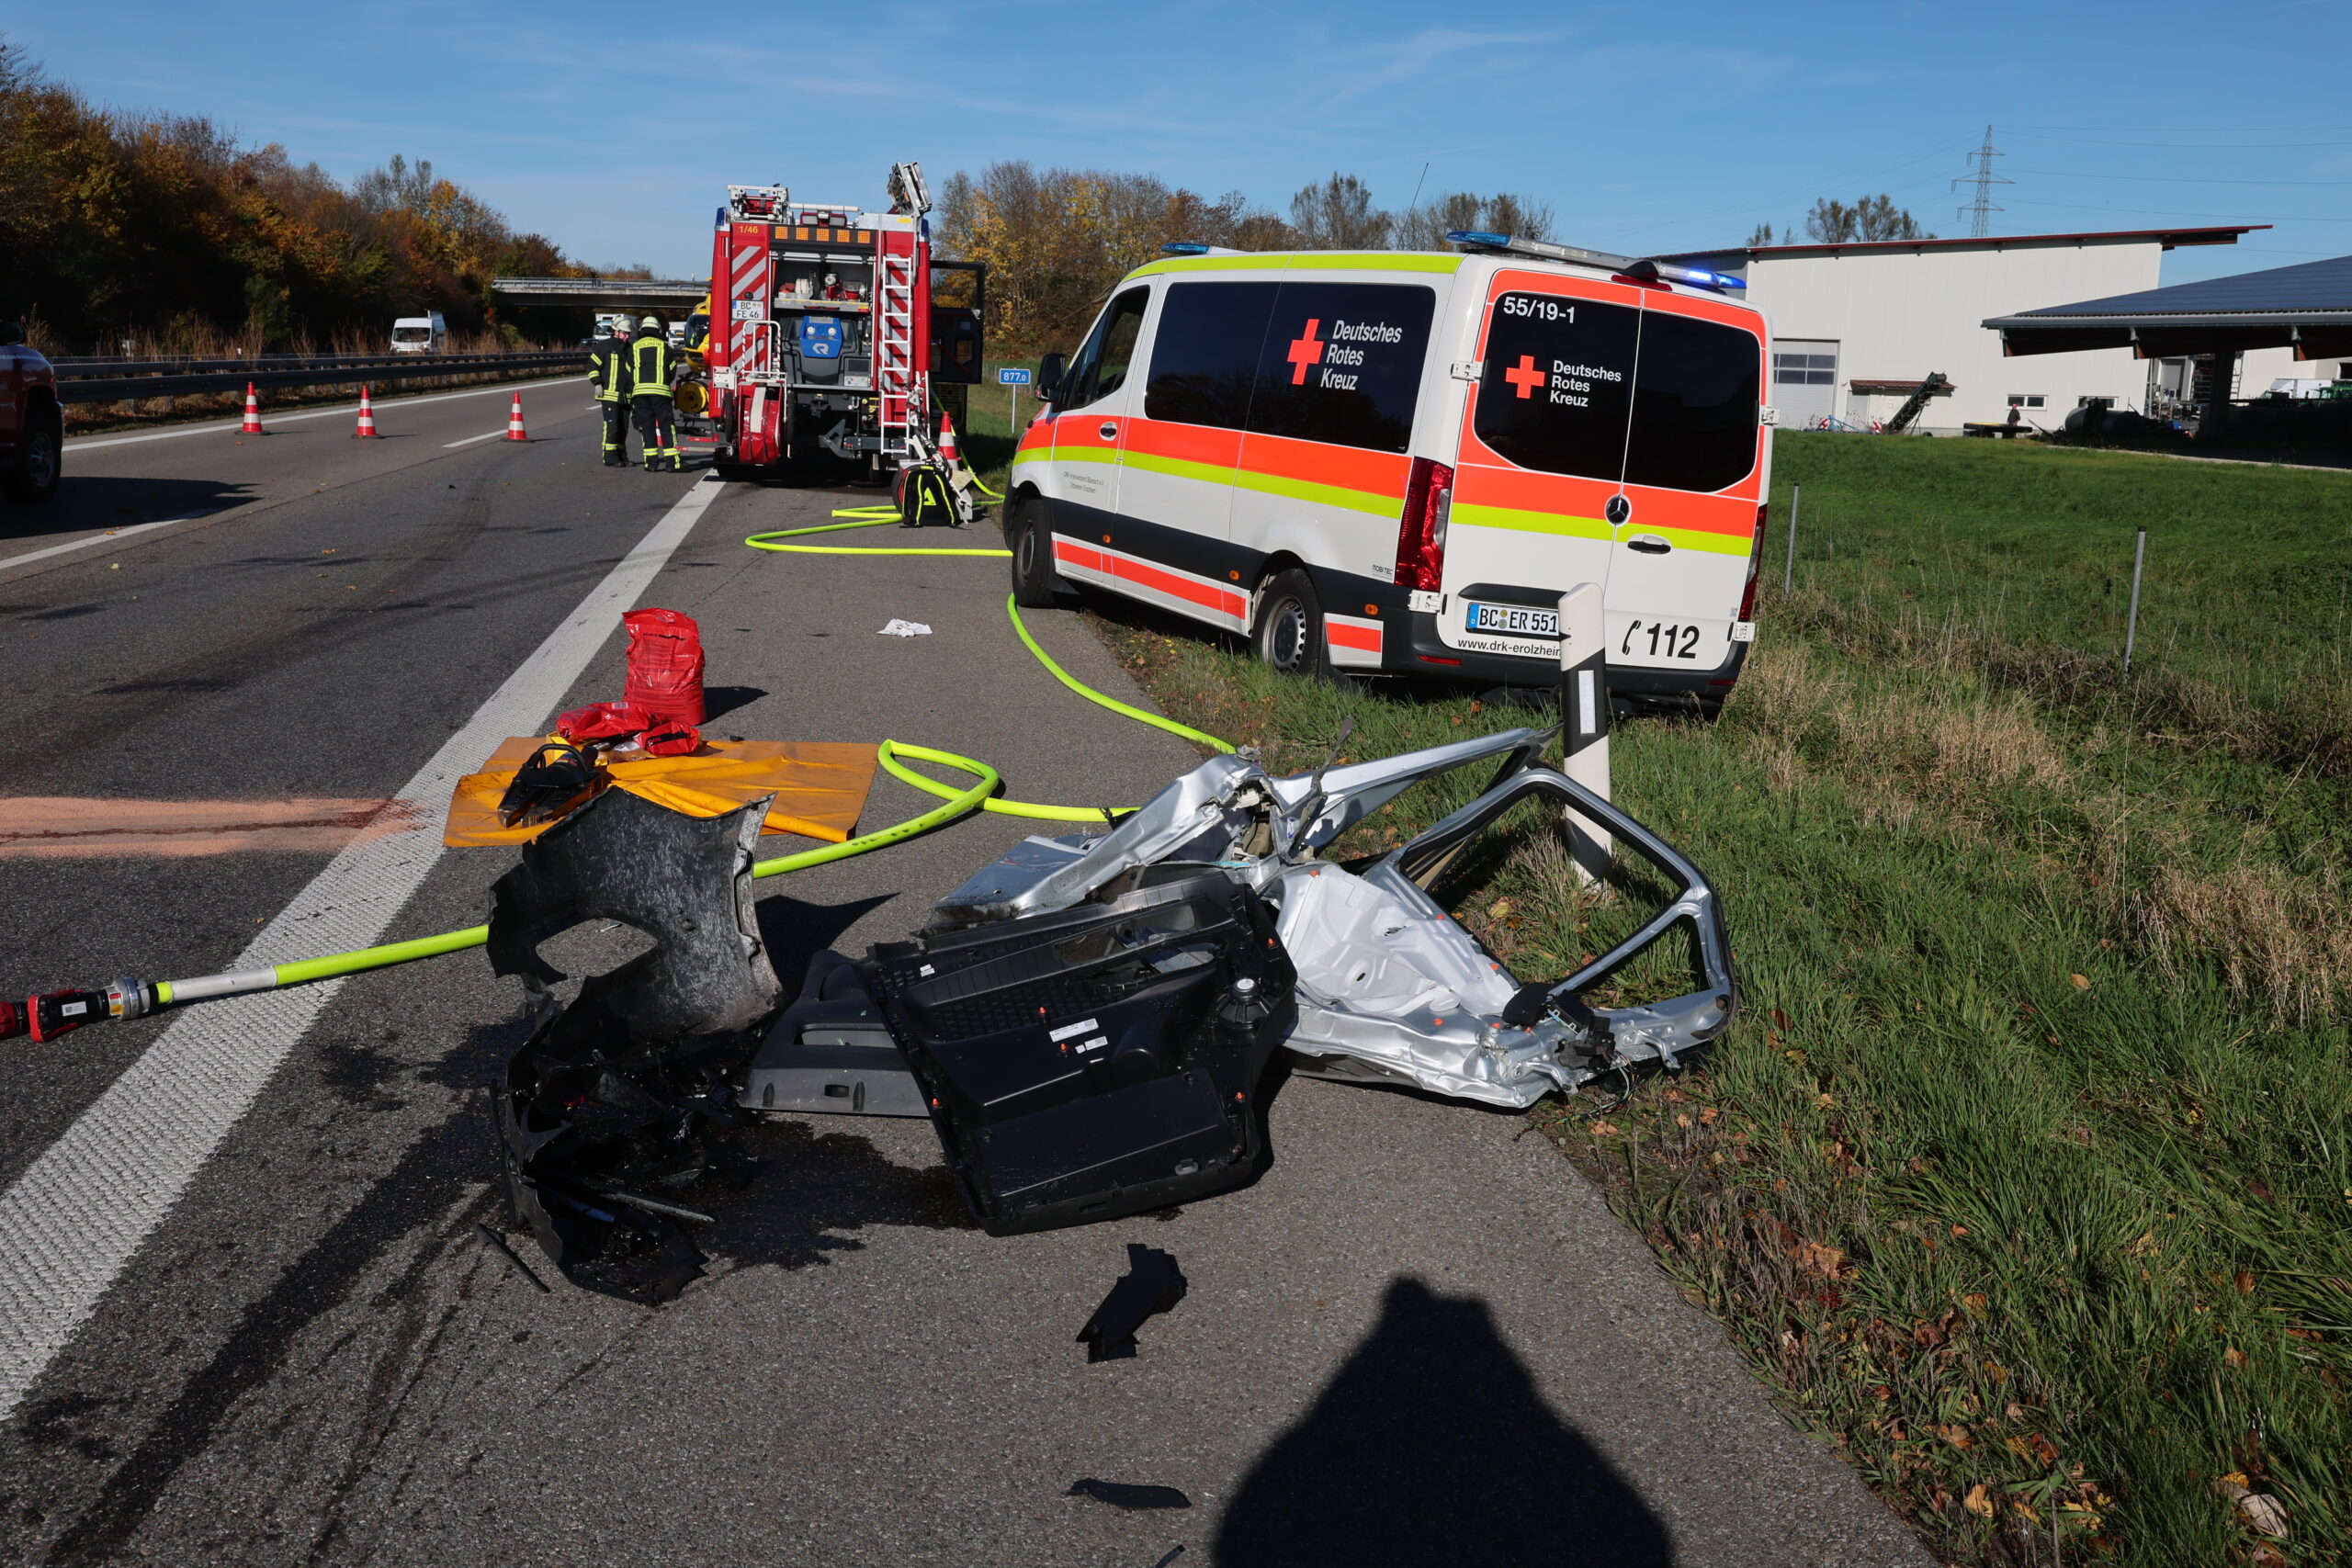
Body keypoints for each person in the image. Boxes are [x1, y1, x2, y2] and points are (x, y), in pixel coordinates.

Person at [628, 314, 681, 472]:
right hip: (661, 394)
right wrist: (664, 382)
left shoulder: (634, 347)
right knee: (666, 427)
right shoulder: (664, 347)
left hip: (640, 394)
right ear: (658, 331)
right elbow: (672, 369)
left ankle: (651, 463)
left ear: (642, 330)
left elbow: (628, 370)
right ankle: (672, 463)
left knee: (647, 427)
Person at [588, 320, 633, 467]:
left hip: (626, 396)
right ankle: (610, 457)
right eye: (625, 333)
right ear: (616, 332)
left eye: (628, 334)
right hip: (609, 395)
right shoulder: (604, 347)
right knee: (612, 426)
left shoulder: (630, 349)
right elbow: (592, 366)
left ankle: (622, 456)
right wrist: (597, 383)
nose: (627, 336)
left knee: (623, 428)